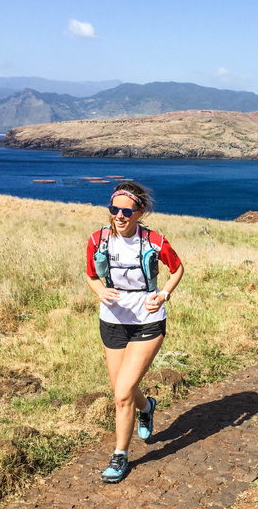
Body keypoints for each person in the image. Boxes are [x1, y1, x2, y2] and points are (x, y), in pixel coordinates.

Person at [85, 181, 184, 483]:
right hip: (112, 322)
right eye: (114, 209)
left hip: (148, 323)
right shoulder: (98, 240)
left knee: (122, 393)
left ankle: (120, 455)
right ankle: (148, 406)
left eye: (127, 211)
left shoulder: (155, 240)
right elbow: (90, 275)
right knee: (122, 391)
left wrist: (164, 294)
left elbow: (178, 268)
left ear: (140, 212)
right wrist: (100, 290)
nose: (119, 216)